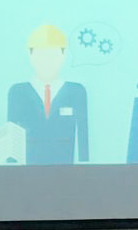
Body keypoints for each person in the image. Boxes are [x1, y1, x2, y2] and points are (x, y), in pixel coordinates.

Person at [6, 23, 89, 164]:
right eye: (41, 54)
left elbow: (83, 139)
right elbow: (11, 141)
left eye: (53, 54)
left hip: (66, 171)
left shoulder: (76, 91)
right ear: (30, 55)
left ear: (63, 55)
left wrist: (85, 167)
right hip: (26, 172)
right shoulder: (18, 92)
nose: (47, 61)